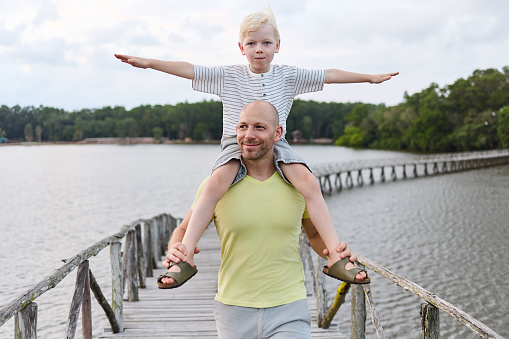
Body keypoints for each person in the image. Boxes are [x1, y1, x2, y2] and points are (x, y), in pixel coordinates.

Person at [115, 7, 396, 286]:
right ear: (241, 47)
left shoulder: (288, 76)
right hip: (234, 144)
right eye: (251, 43)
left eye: (265, 43)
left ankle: (336, 256)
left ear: (277, 46)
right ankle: (184, 256)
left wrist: (368, 77)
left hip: (277, 142)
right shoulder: (228, 75)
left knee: (309, 182)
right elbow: (188, 69)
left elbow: (329, 75)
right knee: (215, 185)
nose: (258, 49)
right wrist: (149, 62)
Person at [159, 101, 368, 338]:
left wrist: (333, 253)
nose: (249, 135)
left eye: (259, 127)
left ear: (277, 133)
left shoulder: (297, 184)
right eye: (242, 127)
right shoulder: (215, 186)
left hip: (289, 305)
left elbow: (314, 235)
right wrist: (174, 250)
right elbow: (184, 229)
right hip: (233, 308)